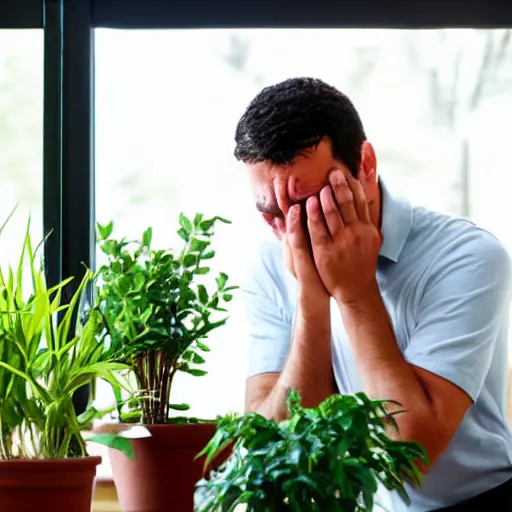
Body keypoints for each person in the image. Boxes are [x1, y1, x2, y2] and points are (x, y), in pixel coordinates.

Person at [234, 77, 512, 511]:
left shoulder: (468, 256)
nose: (289, 230)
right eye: (270, 212)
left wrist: (354, 290)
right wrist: (311, 297)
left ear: (365, 165)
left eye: (307, 204)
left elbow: (408, 457)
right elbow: (271, 448)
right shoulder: (270, 266)